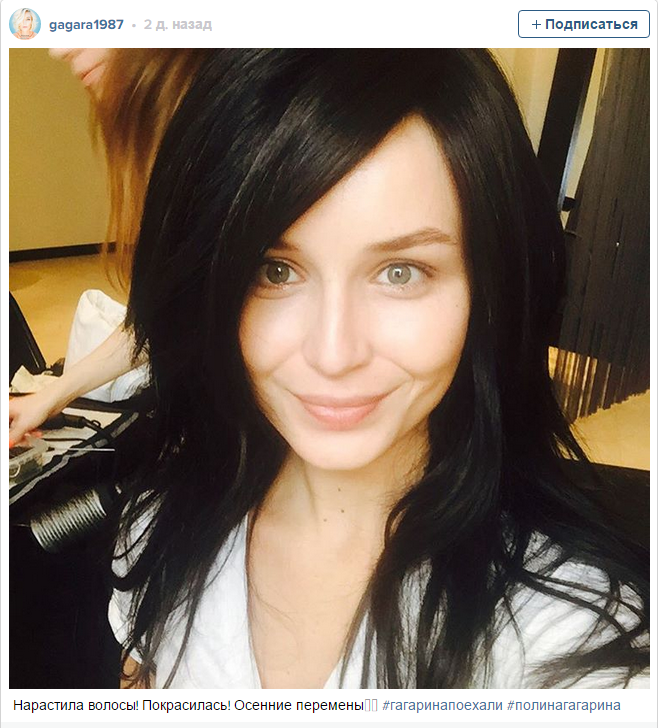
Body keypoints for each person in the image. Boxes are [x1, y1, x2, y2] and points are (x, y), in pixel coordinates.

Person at [109, 49, 648, 690]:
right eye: (275, 271)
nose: (334, 354)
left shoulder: (567, 635)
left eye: (401, 272)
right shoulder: (160, 523)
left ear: (489, 289)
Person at [8, 49, 210, 446]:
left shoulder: (243, 142)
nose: (58, 49)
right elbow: (162, 319)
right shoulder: (181, 144)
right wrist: (51, 395)